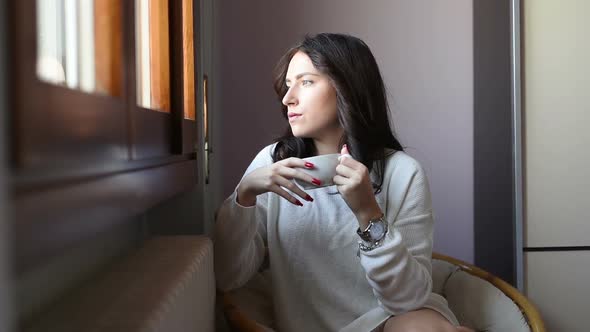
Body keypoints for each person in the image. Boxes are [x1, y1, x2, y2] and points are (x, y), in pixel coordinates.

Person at [214, 33, 473, 332]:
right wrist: (244, 195)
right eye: (287, 86)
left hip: (391, 321)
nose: (288, 99)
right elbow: (228, 277)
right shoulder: (273, 164)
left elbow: (408, 300)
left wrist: (368, 212)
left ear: (346, 88)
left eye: (306, 82)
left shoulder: (402, 172)